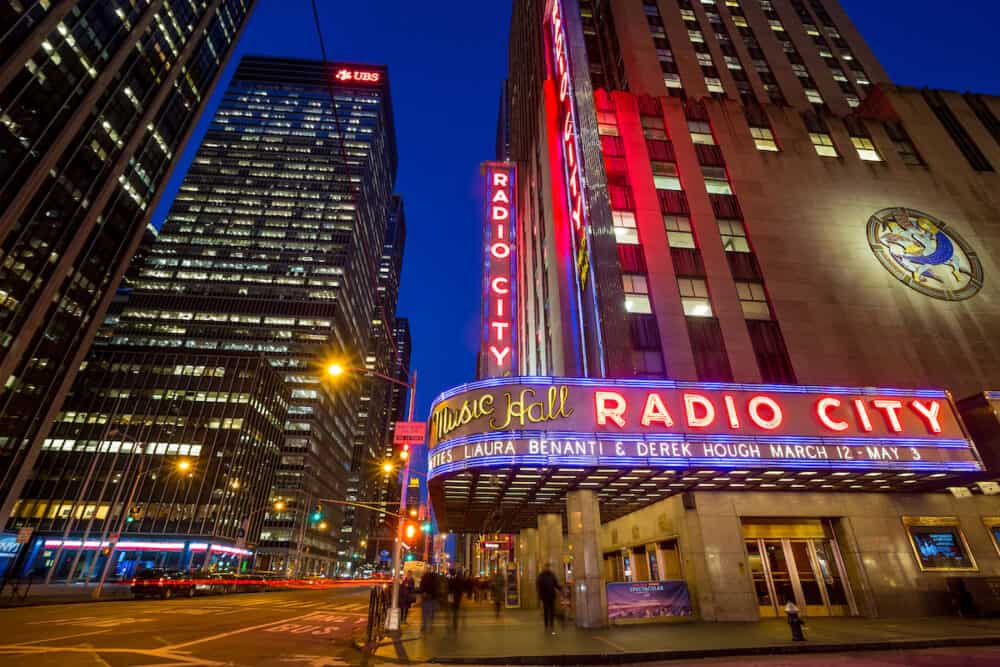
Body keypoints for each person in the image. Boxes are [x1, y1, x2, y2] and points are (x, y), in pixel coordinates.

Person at [536, 563, 562, 635]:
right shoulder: (541, 576)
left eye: (548, 567)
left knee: (552, 610)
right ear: (544, 567)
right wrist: (540, 595)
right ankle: (546, 624)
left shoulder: (552, 575)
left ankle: (552, 624)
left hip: (551, 595)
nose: (547, 568)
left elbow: (555, 584)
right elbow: (538, 586)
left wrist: (560, 588)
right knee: (546, 611)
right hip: (544, 596)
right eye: (546, 567)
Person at [418, 569, 439, 634]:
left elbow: (421, 588)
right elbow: (436, 589)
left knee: (424, 614)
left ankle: (424, 626)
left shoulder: (424, 579)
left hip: (425, 598)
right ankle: (430, 627)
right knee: (431, 614)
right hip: (432, 599)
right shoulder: (434, 580)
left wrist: (423, 593)